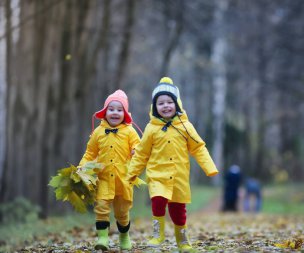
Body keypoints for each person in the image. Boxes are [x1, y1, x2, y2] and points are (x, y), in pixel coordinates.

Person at [126, 77, 219, 250]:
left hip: (178, 176)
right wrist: (132, 173)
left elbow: (198, 148)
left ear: (177, 104)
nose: (166, 106)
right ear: (155, 108)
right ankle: (158, 234)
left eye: (170, 102)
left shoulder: (186, 127)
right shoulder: (151, 128)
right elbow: (141, 153)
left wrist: (209, 167)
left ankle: (182, 240)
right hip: (157, 174)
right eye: (161, 103)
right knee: (158, 200)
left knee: (178, 210)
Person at [78, 89, 141, 251]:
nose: (115, 113)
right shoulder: (98, 133)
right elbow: (90, 153)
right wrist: (82, 167)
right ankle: (103, 239)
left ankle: (124, 236)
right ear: (105, 112)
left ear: (125, 113)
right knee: (101, 207)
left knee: (122, 212)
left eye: (119, 110)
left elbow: (139, 148)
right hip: (103, 177)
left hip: (123, 179)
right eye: (111, 109)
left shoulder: (130, 131)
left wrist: (135, 151)